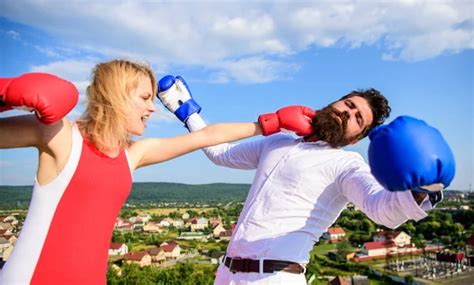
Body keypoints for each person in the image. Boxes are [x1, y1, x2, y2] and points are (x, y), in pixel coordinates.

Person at [0, 60, 316, 284]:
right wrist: (5, 93)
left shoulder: (132, 154)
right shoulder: (59, 135)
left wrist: (268, 123)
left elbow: (205, 137)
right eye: (144, 97)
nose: (152, 108)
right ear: (116, 94)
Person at [157, 75, 453, 285]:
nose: (347, 113)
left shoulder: (347, 164)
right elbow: (221, 153)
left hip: (275, 278)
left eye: (358, 119)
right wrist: (187, 111)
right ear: (333, 103)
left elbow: (382, 210)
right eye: (348, 104)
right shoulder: (276, 142)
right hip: (226, 273)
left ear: (356, 139)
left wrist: (423, 189)